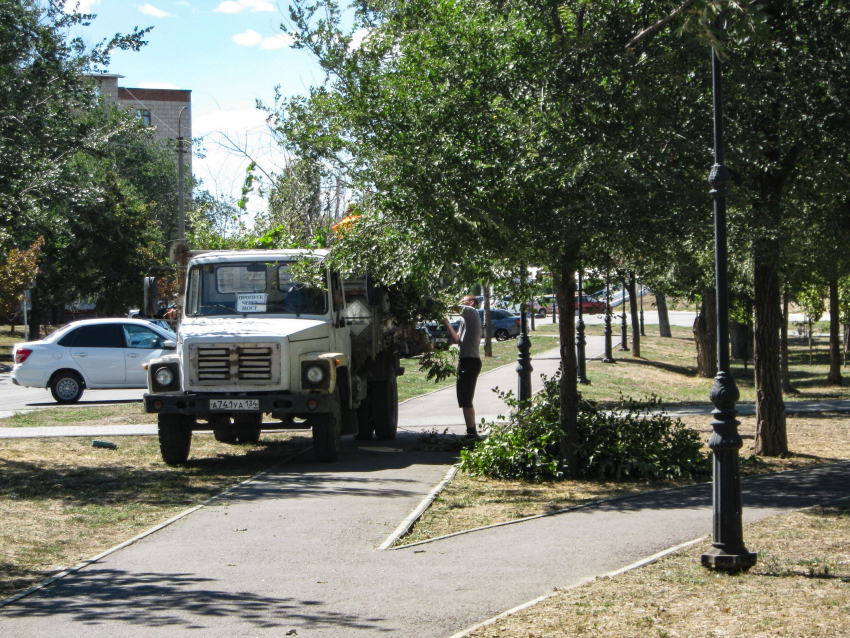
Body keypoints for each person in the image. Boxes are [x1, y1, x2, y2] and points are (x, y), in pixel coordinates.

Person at [445, 294, 483, 439]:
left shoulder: (471, 312)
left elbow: (453, 307)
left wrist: (436, 305)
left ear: (471, 302)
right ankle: (470, 431)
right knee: (463, 398)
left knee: (466, 399)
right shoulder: (464, 319)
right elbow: (456, 339)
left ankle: (472, 432)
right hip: (465, 360)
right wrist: (446, 322)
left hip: (471, 361)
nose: (460, 303)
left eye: (463, 301)